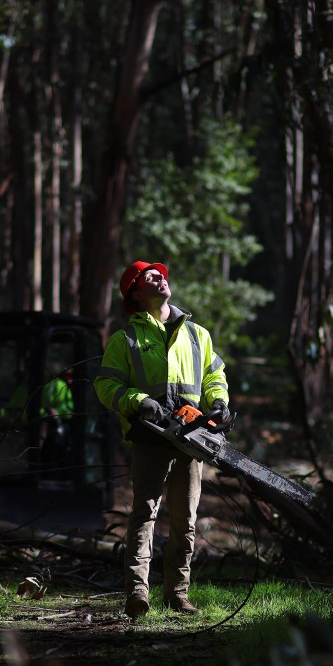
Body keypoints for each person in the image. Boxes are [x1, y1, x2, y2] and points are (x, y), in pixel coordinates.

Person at [95, 260, 231, 619]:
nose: (161, 277)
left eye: (161, 273)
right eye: (149, 276)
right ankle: (137, 593)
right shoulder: (126, 339)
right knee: (145, 514)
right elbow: (105, 385)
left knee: (185, 520)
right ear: (135, 293)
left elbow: (215, 375)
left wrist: (218, 403)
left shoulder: (197, 334)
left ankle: (177, 594)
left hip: (192, 440)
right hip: (150, 438)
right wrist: (139, 401)